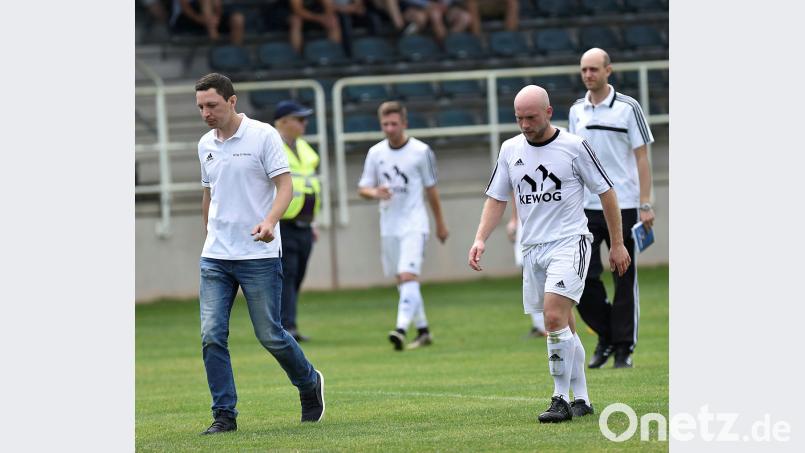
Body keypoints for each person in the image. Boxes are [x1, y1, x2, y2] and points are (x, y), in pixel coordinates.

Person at [468, 85, 630, 423]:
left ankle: (559, 398)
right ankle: (582, 399)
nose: (525, 125)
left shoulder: (573, 146)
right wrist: (481, 238)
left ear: (548, 112)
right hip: (533, 248)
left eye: (531, 117)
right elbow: (497, 197)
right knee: (564, 325)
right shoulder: (510, 149)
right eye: (519, 118)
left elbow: (607, 191)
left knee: (553, 319)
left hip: (571, 241)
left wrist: (617, 243)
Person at [194, 73, 324, 435]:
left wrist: (269, 221)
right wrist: (209, 232)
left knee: (270, 334)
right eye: (201, 107)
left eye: (213, 105)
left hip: (259, 255)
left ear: (232, 102)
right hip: (216, 257)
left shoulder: (263, 135)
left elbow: (286, 185)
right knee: (211, 335)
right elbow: (209, 193)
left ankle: (308, 382)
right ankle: (224, 415)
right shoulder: (205, 143)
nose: (206, 113)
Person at [568, 48, 655, 369]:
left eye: (594, 69)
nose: (588, 75)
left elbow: (642, 158)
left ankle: (623, 349)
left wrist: (646, 203)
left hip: (627, 205)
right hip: (586, 209)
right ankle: (606, 335)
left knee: (623, 278)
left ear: (608, 71)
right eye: (584, 70)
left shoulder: (629, 108)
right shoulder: (576, 111)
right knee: (582, 279)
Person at [358, 101, 449, 351]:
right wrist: (375, 192)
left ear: (405, 124)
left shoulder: (421, 151)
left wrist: (440, 223)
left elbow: (432, 190)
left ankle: (400, 329)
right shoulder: (376, 153)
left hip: (414, 223)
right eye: (385, 124)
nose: (389, 128)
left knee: (408, 276)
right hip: (389, 224)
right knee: (403, 280)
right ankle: (423, 330)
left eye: (394, 124)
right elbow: (363, 188)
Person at [273, 100, 321, 343]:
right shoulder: (272, 146)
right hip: (284, 223)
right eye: (299, 119)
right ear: (283, 122)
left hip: (304, 224)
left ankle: (287, 322)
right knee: (288, 274)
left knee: (298, 275)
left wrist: (313, 223)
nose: (305, 123)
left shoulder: (304, 148)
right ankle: (286, 326)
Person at [506, 193, 546, 338]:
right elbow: (517, 191)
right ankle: (540, 325)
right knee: (529, 274)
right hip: (527, 228)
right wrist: (514, 219)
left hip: (552, 227)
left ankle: (550, 323)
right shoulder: (515, 169)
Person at [169, 0, 245, 45]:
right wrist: (201, 19)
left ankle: (235, 53)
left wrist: (216, 18)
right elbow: (185, 7)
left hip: (211, 20)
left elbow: (217, 6)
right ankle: (215, 41)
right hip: (186, 21)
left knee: (237, 19)